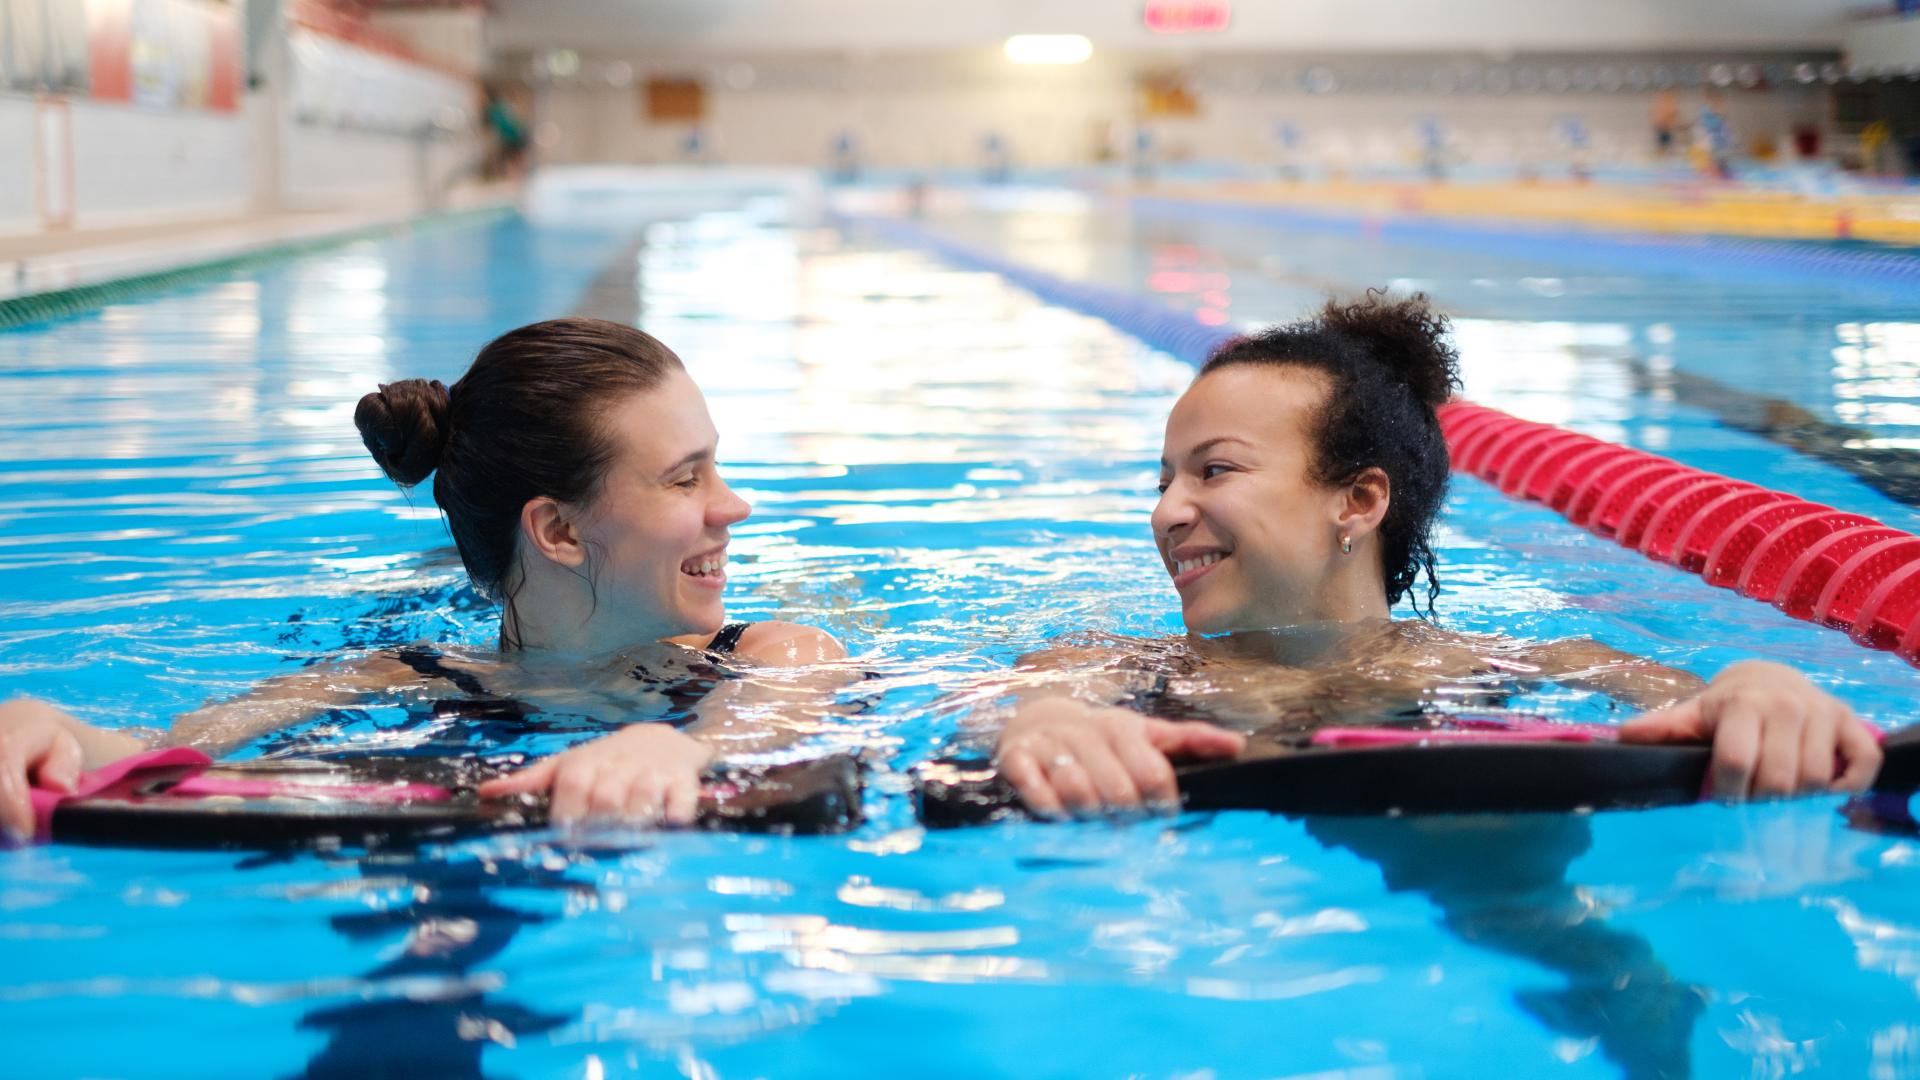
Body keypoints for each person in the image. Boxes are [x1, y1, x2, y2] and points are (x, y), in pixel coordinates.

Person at [992, 292, 1885, 817]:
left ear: (1360, 499)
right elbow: (1014, 712)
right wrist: (1041, 729)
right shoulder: (1102, 667)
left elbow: (1703, 702)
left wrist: (1763, 686)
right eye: (1163, 481)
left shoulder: (1519, 665)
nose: (1168, 512)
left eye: (1213, 470)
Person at [0, 318, 846, 842]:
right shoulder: (386, 677)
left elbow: (778, 713)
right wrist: (45, 729)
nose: (734, 506)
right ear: (556, 529)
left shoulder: (771, 652)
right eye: (685, 477)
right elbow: (156, 760)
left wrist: (682, 749)